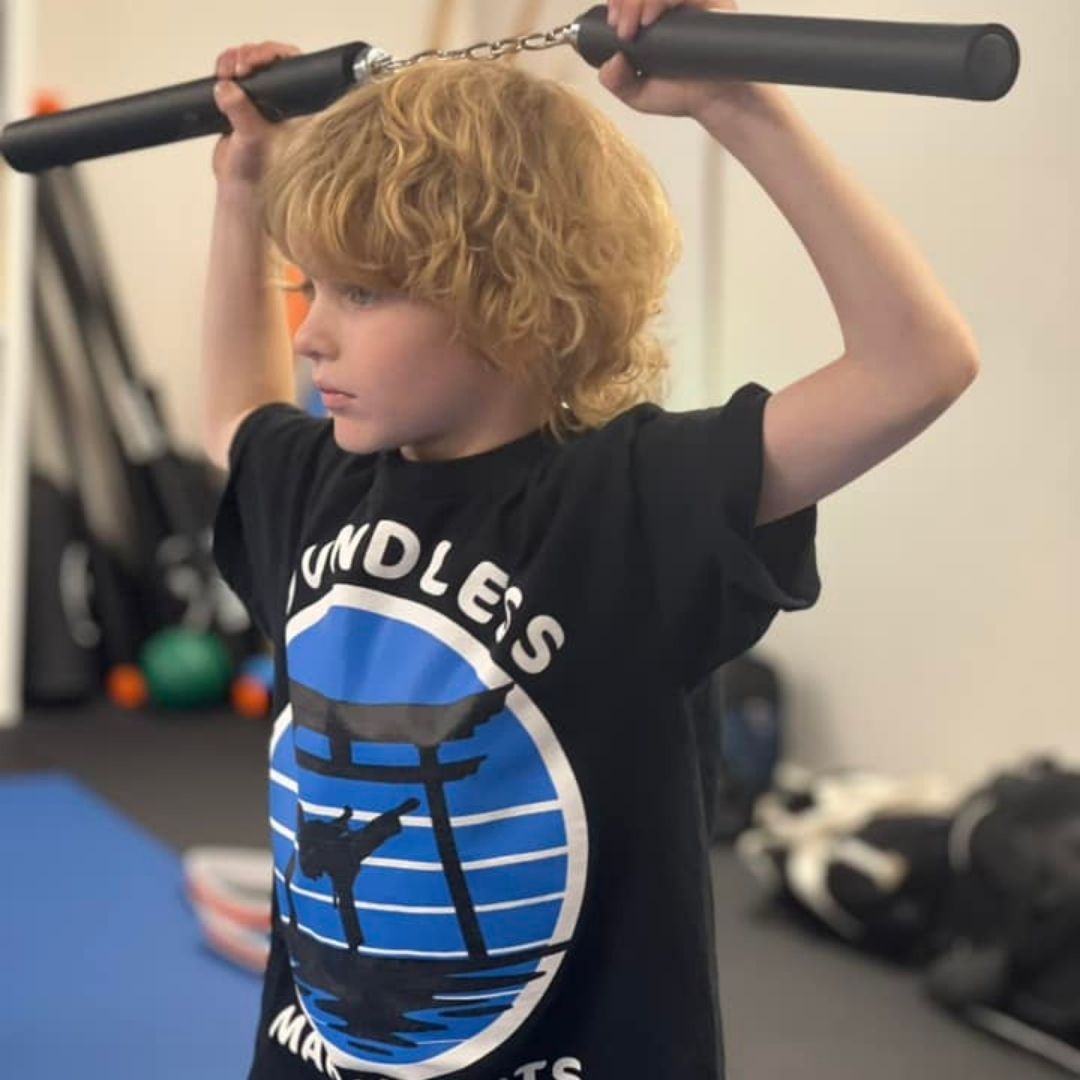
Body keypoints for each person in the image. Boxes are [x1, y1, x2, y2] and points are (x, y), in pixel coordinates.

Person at [203, 1, 979, 1076]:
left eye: (363, 293)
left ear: (507, 299)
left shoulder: (631, 505)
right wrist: (244, 182)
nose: (313, 335)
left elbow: (917, 364)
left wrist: (736, 105)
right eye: (309, 288)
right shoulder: (316, 483)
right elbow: (230, 415)